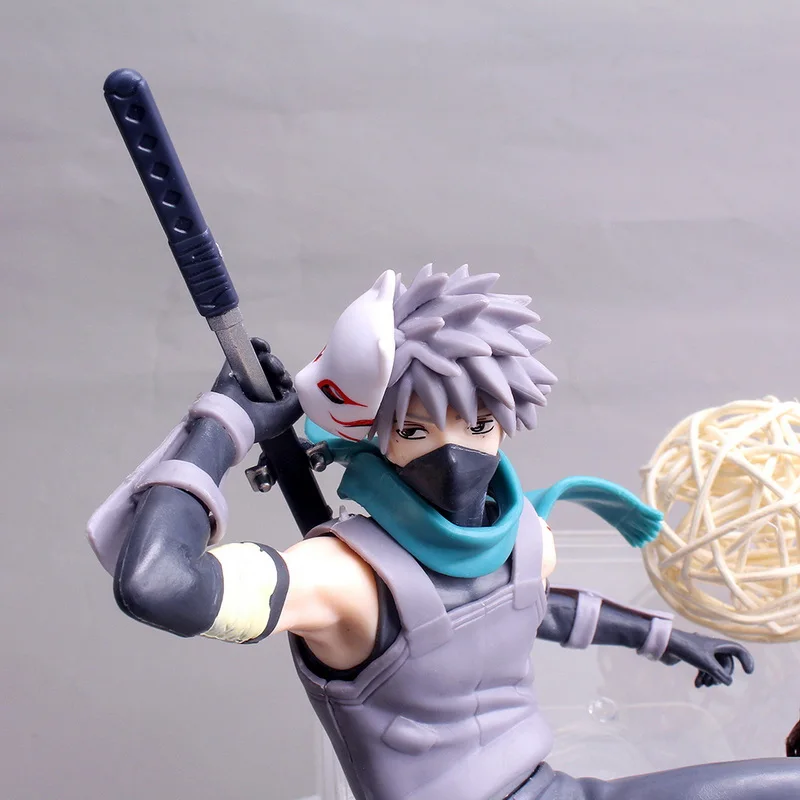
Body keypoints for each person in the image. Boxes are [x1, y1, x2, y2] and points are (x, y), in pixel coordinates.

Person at [88, 264, 799, 799]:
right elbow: (159, 583)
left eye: (480, 424)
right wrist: (223, 425)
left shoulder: (524, 535)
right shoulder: (342, 579)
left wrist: (668, 638)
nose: (455, 453)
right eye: (417, 430)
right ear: (375, 437)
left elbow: (528, 609)